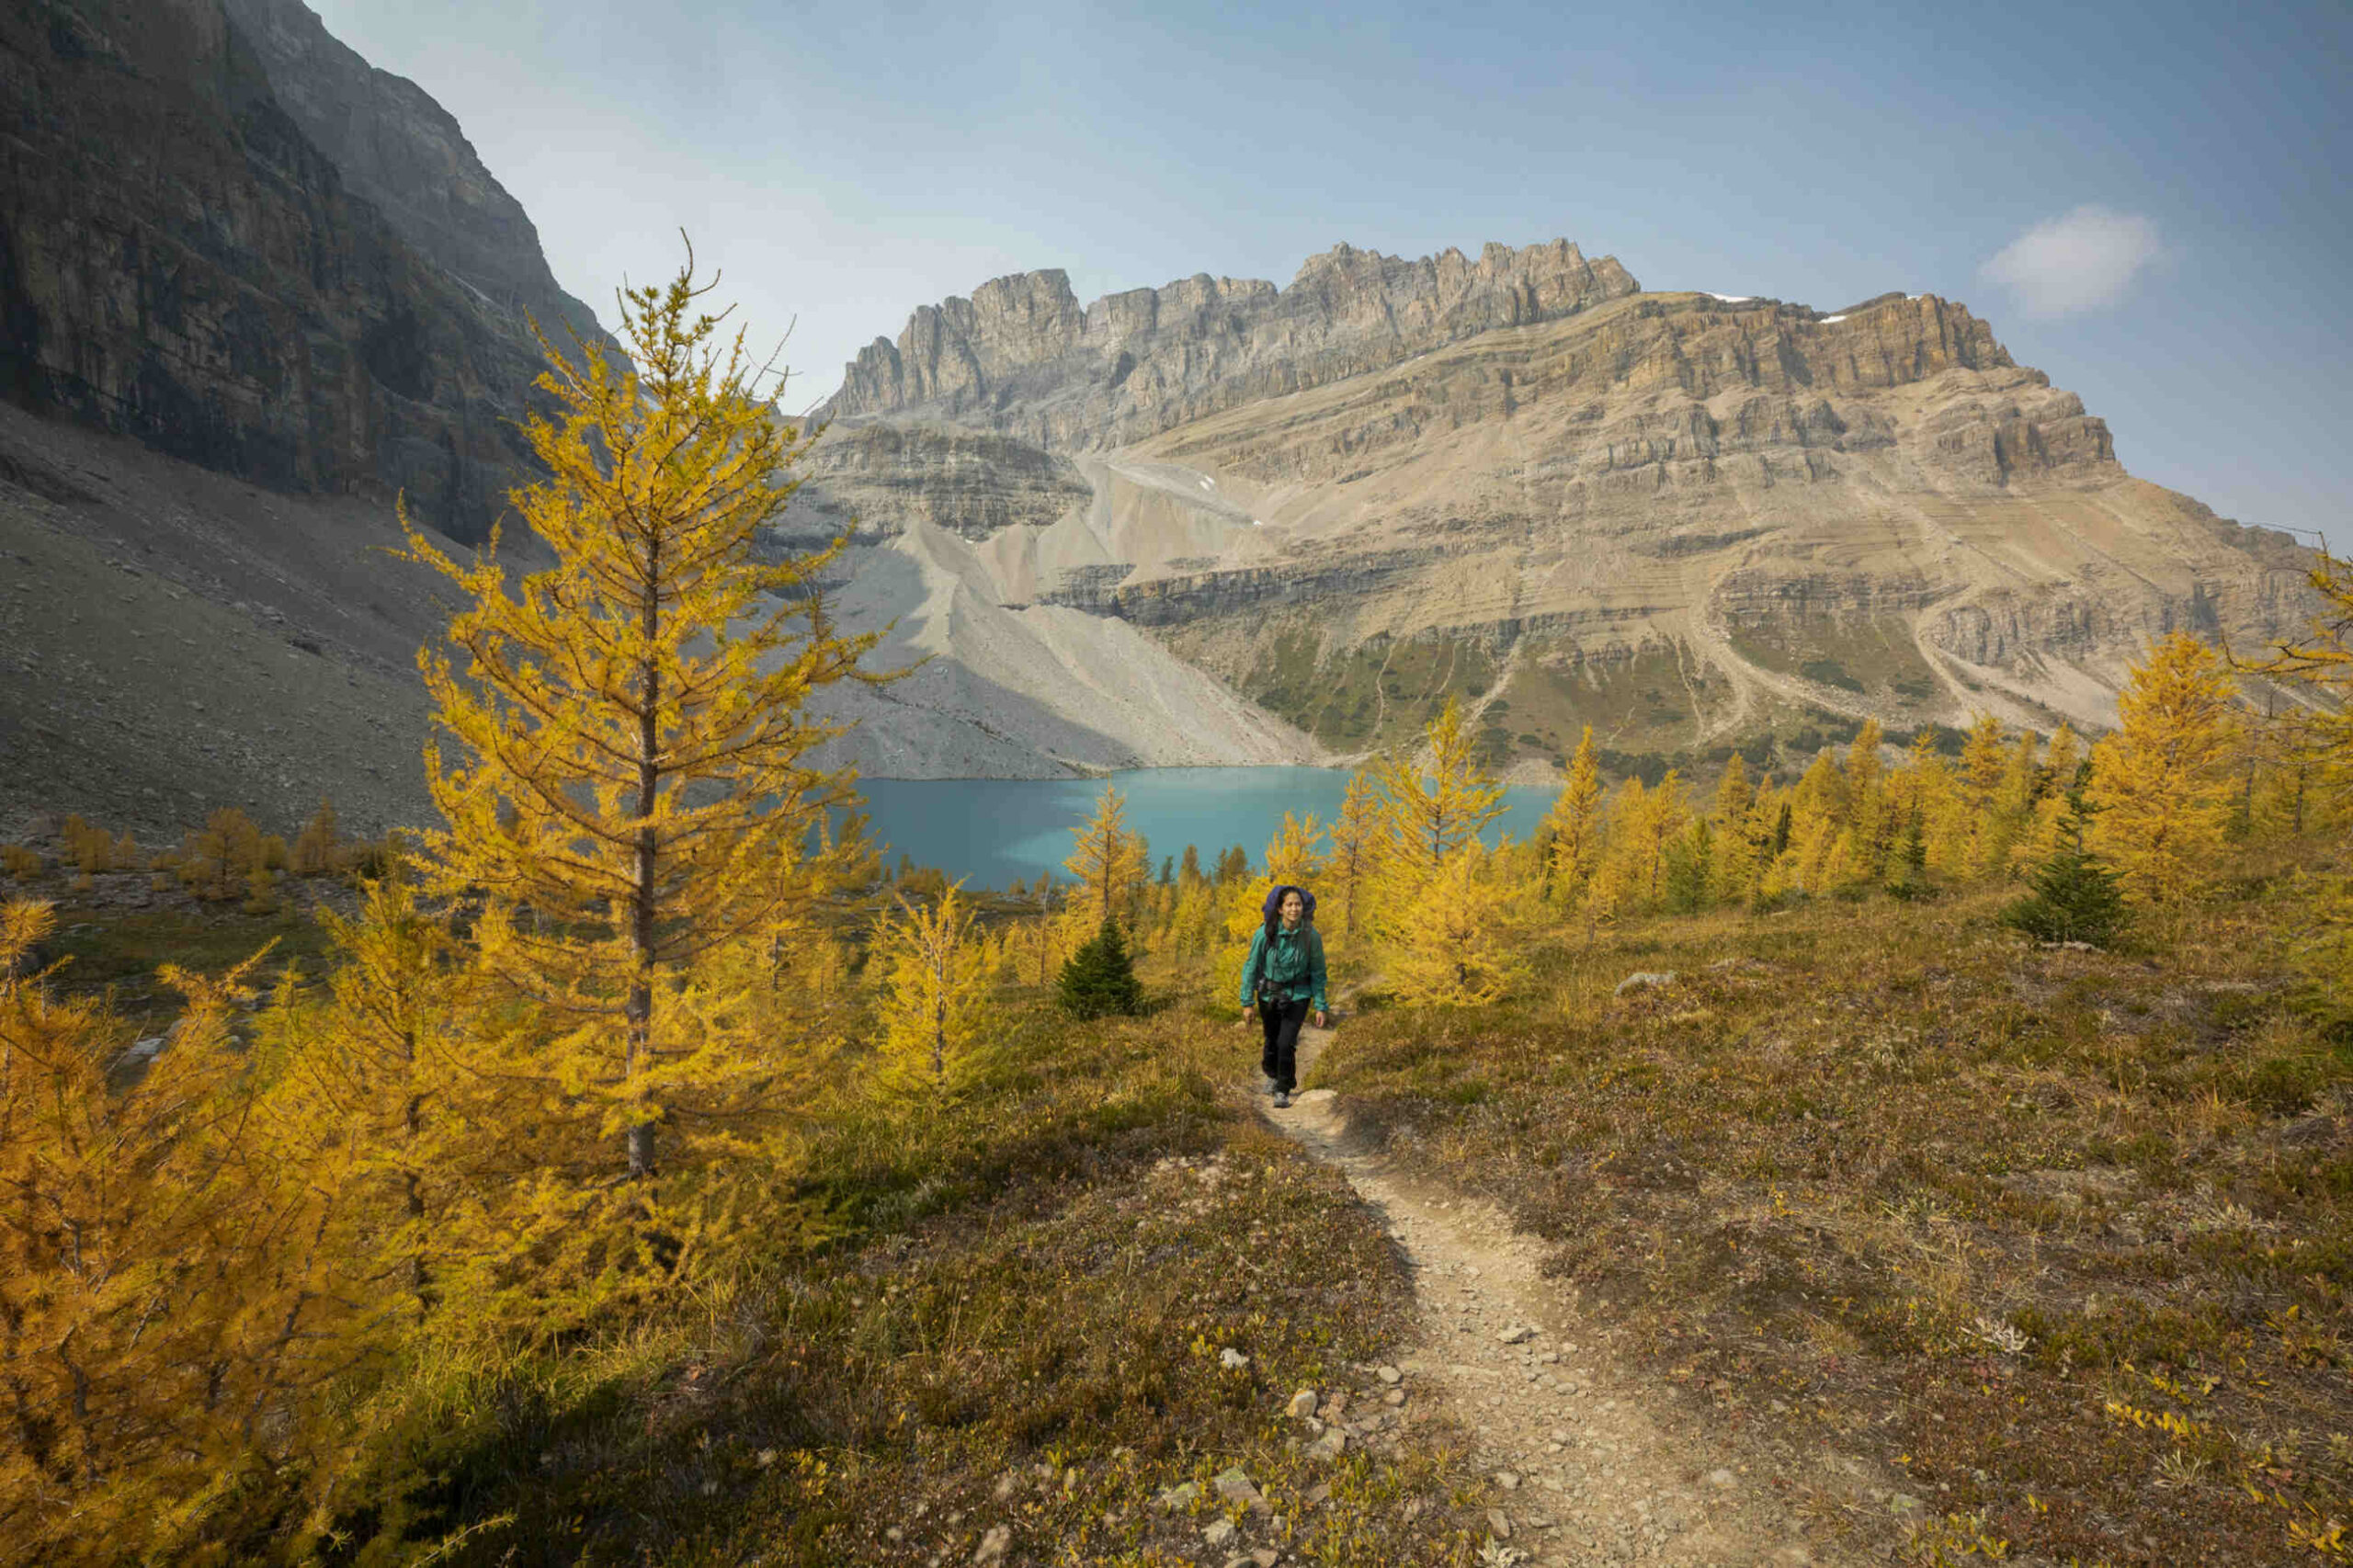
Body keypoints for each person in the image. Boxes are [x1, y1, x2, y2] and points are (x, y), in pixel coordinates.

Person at [1240, 884, 1328, 1108]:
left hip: (1298, 995)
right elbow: (1251, 966)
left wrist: (1320, 1005)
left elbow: (1318, 971)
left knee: (1286, 1043)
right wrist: (1247, 1002)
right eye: (1289, 904)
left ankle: (1283, 1087)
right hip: (1269, 994)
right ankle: (1271, 1073)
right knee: (1271, 1040)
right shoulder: (1265, 933)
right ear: (1279, 909)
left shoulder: (1311, 935)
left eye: (1297, 904)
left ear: (1303, 907)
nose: (1294, 909)